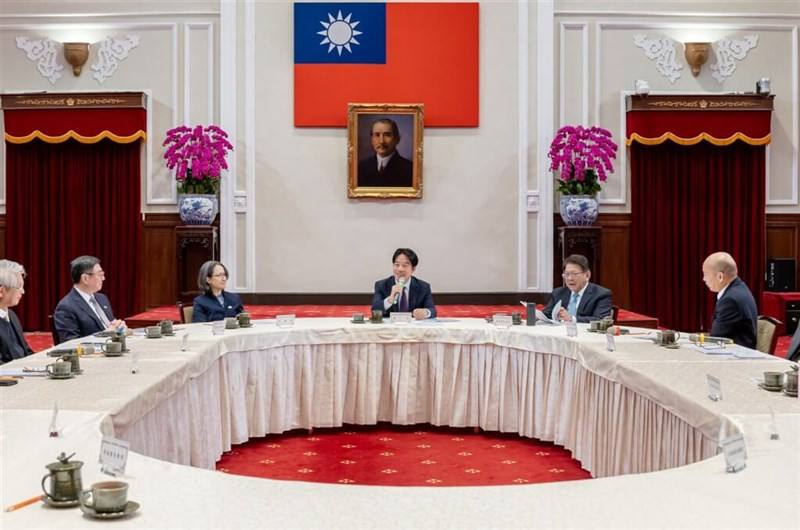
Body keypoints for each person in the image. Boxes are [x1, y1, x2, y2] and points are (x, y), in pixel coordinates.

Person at [53, 256, 125, 343]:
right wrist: (105, 335)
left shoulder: (102, 298)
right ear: (85, 278)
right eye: (100, 275)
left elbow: (111, 326)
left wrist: (119, 327)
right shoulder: (66, 307)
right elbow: (70, 343)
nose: (103, 278)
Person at [702, 252, 757, 349]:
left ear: (720, 277)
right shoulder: (740, 288)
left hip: (735, 357)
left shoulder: (730, 300)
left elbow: (715, 338)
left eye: (705, 274)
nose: (704, 279)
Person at [542, 254, 612, 323]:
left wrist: (571, 318)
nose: (570, 278)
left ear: (587, 275)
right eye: (567, 274)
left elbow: (601, 320)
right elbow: (546, 314)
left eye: (574, 274)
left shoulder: (601, 294)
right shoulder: (558, 293)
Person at [372, 248, 436, 320]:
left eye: (405, 265)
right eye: (397, 265)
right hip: (391, 329)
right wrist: (389, 300)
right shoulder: (381, 285)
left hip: (413, 329)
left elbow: (432, 311)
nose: (400, 269)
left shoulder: (423, 287)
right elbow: (374, 310)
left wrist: (425, 313)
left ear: (413, 269)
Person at [357, 118, 413, 187]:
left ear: (397, 139)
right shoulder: (361, 168)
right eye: (377, 135)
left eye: (387, 135)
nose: (381, 141)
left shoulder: (410, 169)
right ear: (371, 139)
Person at [0, 260, 33, 364]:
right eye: (19, 287)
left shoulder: (12, 315)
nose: (23, 291)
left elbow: (26, 352)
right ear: (1, 291)